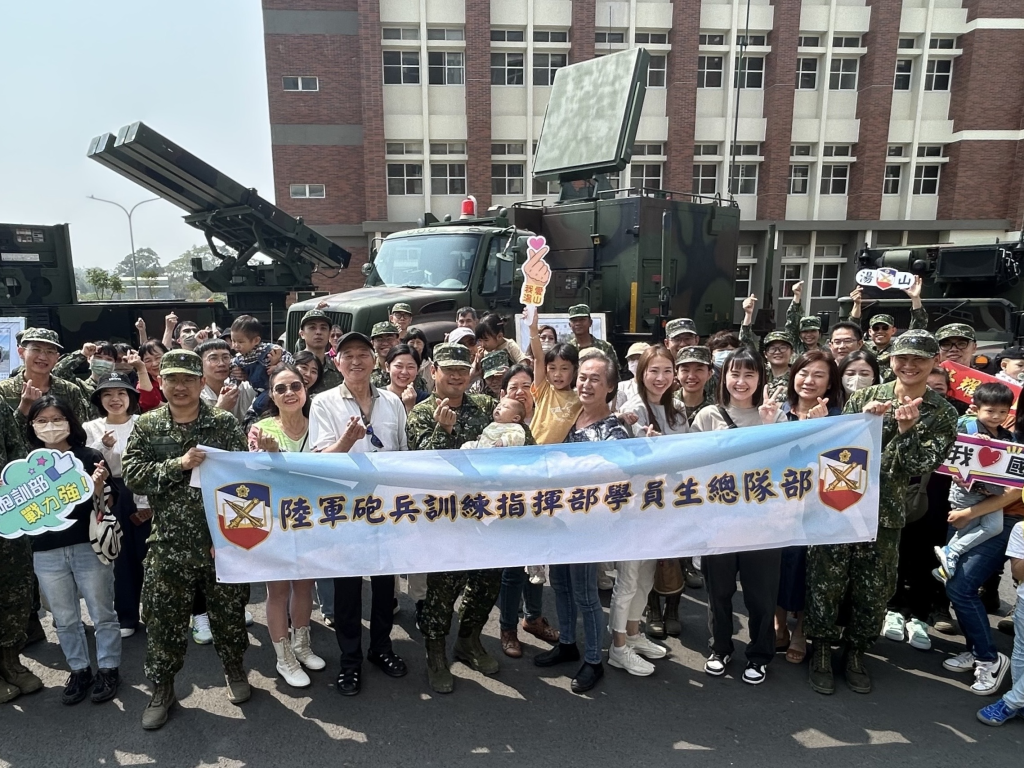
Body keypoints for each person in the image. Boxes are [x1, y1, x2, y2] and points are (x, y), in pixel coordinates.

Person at [806, 330, 958, 696]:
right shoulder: (866, 397)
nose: (909, 365)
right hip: (842, 505)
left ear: (934, 361)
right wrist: (855, 422)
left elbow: (920, 465)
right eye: (902, 358)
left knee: (874, 588)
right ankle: (822, 648)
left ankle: (857, 651)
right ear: (891, 360)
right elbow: (837, 450)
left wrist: (907, 430)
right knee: (826, 579)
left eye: (919, 359)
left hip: (886, 513)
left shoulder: (943, 412)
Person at [123, 350, 251, 730]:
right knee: (163, 618)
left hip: (219, 541)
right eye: (172, 379)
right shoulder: (148, 425)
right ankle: (162, 689)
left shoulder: (223, 424)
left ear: (201, 383)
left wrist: (229, 535)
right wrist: (177, 465)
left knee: (229, 612)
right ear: (161, 383)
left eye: (188, 379)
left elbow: (244, 480)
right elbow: (133, 475)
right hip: (169, 541)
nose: (180, 387)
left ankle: (235, 668)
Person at [309, 332, 409, 696]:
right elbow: (320, 460)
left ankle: (381, 647)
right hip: (345, 508)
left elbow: (403, 453)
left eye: (362, 354)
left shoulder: (393, 402)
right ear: (337, 363)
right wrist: (347, 442)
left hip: (385, 506)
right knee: (347, 587)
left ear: (374, 360)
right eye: (348, 355)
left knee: (384, 584)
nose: (356, 361)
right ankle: (349, 659)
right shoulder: (323, 402)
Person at [406, 343, 510, 694]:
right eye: (448, 369)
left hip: (486, 514)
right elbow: (423, 467)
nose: (455, 376)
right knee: (442, 590)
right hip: (445, 519)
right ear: (433, 371)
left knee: (487, 582)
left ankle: (469, 640)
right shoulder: (422, 413)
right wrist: (444, 432)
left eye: (462, 370)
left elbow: (512, 439)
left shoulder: (485, 406)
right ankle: (435, 653)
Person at [536, 351, 630, 694]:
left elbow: (616, 475)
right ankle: (567, 644)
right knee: (560, 584)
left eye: (595, 379)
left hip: (589, 524)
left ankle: (593, 659)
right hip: (557, 519)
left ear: (610, 387)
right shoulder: (567, 416)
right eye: (583, 378)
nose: (586, 385)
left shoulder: (615, 429)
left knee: (586, 594)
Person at [691, 348, 786, 685]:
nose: (741, 381)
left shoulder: (775, 415)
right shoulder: (708, 416)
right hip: (719, 521)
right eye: (735, 373)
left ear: (761, 378)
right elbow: (693, 464)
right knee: (718, 591)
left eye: (749, 374)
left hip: (764, 523)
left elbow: (784, 467)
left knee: (761, 595)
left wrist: (769, 426)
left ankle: (759, 655)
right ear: (724, 377)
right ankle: (720, 648)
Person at [27, 396, 119, 705]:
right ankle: (79, 670)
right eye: (42, 420)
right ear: (32, 426)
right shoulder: (26, 465)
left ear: (70, 422)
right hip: (46, 552)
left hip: (87, 546)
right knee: (64, 618)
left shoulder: (89, 456)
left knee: (102, 612)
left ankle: (109, 668)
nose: (50, 426)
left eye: (57, 419)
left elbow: (108, 505)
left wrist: (98, 487)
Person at [248, 364, 325, 688]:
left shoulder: (320, 425)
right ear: (271, 395)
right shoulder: (260, 429)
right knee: (278, 590)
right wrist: (270, 454)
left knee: (305, 585)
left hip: (312, 520)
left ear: (305, 390)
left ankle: (301, 645)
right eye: (281, 388)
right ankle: (284, 658)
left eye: (295, 386)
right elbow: (253, 477)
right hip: (275, 521)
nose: (289, 393)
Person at [611, 346, 686, 674]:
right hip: (633, 509)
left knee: (645, 577)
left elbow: (685, 459)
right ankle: (617, 647)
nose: (660, 378)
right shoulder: (632, 410)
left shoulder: (678, 410)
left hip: (662, 508)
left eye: (667, 370)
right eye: (653, 370)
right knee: (627, 578)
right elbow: (620, 464)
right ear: (641, 374)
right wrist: (646, 452)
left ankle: (633, 633)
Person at [777, 350, 844, 664]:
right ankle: (778, 623)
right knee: (778, 562)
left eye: (819, 375)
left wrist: (819, 430)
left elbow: (842, 467)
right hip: (777, 506)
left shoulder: (840, 418)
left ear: (830, 383)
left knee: (808, 567)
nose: (809, 380)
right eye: (804, 373)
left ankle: (800, 631)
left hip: (818, 508)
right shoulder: (777, 411)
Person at [493, 364, 560, 657]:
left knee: (537, 566)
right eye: (513, 387)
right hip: (510, 505)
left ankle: (533, 618)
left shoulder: (550, 419)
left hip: (542, 503)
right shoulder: (499, 425)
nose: (520, 392)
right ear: (503, 394)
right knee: (512, 571)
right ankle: (507, 628)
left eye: (526, 386)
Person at [84, 373, 151, 639]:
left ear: (131, 398)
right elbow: (85, 462)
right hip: (111, 492)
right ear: (99, 399)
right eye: (108, 394)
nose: (115, 399)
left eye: (121, 393)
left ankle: (155, 613)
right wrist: (102, 445)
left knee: (149, 553)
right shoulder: (91, 427)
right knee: (119, 556)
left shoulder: (144, 423)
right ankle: (126, 615)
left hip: (144, 490)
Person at [935, 382, 1016, 583]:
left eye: (1002, 412)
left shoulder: (1007, 436)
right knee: (966, 528)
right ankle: (949, 563)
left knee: (993, 527)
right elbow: (949, 454)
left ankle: (951, 552)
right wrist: (973, 441)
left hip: (993, 493)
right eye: (990, 411)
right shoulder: (968, 427)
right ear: (976, 408)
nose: (996, 416)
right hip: (967, 492)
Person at [976, 519, 1024, 725]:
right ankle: (1020, 702)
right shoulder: (1020, 528)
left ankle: (1010, 703)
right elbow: (1018, 572)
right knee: (1020, 650)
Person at [0, 328, 92, 428]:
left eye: (50, 351)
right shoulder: (3, 391)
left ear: (57, 357)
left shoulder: (70, 391)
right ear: (21, 352)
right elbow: (3, 434)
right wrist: (23, 410)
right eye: (36, 350)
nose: (43, 357)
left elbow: (80, 431)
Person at [527, 308, 581, 445]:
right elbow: (539, 358)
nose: (557, 374)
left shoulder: (580, 400)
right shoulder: (544, 390)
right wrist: (533, 328)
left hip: (559, 455)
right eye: (552, 368)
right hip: (533, 450)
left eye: (564, 368)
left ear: (575, 370)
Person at [848, 275, 928, 358]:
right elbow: (853, 328)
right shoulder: (862, 348)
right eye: (876, 328)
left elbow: (917, 329)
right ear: (870, 332)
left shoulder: (899, 349)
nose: (880, 331)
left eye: (885, 328)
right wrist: (857, 303)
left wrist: (915, 298)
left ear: (893, 331)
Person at [196, 339, 256, 424]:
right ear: (200, 364)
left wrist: (251, 376)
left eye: (226, 357)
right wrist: (221, 408)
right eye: (213, 358)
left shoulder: (243, 387)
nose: (221, 363)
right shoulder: (195, 394)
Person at [229, 314, 290, 396]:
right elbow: (234, 378)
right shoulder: (238, 360)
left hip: (276, 389)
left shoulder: (269, 350)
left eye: (240, 342)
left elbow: (290, 359)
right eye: (233, 341)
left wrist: (280, 366)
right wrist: (233, 385)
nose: (235, 345)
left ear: (256, 340)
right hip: (258, 392)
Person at [298, 310, 343, 394]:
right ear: (302, 334)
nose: (318, 332)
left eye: (323, 328)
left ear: (329, 334)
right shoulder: (292, 366)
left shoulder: (338, 369)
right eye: (312, 327)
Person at [461, 397, 526, 449]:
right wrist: (483, 437)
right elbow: (489, 434)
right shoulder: (493, 423)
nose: (498, 408)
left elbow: (518, 437)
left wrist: (504, 441)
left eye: (505, 406)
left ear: (515, 418)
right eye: (498, 405)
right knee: (467, 445)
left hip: (495, 449)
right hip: (482, 446)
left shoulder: (515, 427)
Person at [673, 346, 714, 425]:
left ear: (709, 374)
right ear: (677, 374)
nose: (691, 376)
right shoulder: (666, 403)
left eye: (699, 370)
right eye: (685, 370)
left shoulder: (717, 407)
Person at [384, 344, 425, 414]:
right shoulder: (377, 396)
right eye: (398, 366)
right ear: (387, 367)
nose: (404, 372)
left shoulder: (424, 399)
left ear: (418, 370)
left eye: (410, 367)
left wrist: (410, 407)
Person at [785, 281, 823, 354]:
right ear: (799, 334)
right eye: (805, 331)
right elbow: (792, 323)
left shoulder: (827, 352)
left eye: (813, 331)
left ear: (820, 333)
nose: (809, 335)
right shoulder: (796, 347)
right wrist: (797, 296)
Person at [137, 340, 168, 413]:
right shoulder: (143, 385)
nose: (154, 364)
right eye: (148, 361)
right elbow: (150, 404)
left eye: (158, 358)